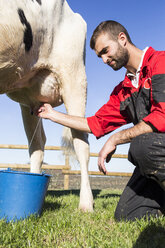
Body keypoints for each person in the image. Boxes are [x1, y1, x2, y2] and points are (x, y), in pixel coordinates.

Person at [37, 20, 165, 221]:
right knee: (127, 214)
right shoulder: (123, 90)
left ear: (122, 39)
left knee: (141, 147)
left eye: (106, 50)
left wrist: (115, 139)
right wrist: (52, 114)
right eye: (100, 56)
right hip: (155, 155)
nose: (104, 60)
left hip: (154, 148)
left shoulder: (160, 62)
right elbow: (95, 123)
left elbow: (162, 117)